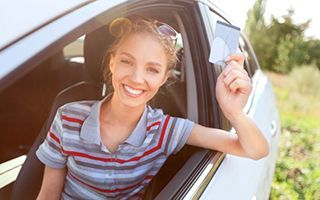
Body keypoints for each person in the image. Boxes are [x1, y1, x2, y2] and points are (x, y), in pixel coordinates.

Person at [36, 16, 269, 200]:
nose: (137, 78)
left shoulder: (165, 130)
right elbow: (48, 195)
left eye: (152, 69)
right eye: (127, 62)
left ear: (164, 77)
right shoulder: (68, 117)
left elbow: (255, 150)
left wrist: (233, 112)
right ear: (112, 63)